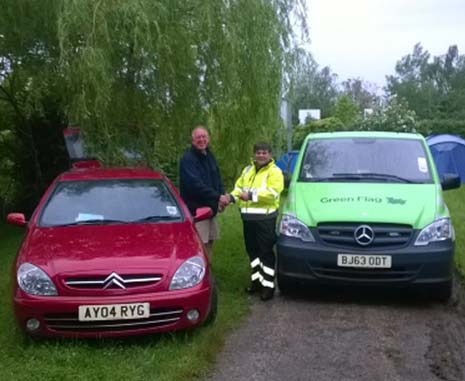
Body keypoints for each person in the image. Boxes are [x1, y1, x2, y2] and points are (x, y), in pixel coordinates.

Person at [228, 142, 284, 301]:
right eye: (258, 153)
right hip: (248, 219)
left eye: (264, 153)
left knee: (265, 252)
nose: (261, 155)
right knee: (252, 252)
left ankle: (268, 286)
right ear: (254, 154)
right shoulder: (247, 170)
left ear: (270, 155)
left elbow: (272, 193)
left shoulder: (275, 172)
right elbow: (239, 188)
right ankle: (256, 282)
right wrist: (231, 197)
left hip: (265, 219)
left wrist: (251, 195)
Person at [179, 126, 230, 259]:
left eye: (204, 137)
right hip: (197, 211)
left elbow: (217, 177)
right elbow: (195, 185)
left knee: (210, 243)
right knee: (200, 246)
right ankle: (199, 277)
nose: (201, 140)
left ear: (208, 139)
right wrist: (218, 196)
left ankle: (209, 274)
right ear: (193, 140)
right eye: (198, 137)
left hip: (211, 209)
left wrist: (222, 195)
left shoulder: (209, 155)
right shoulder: (188, 159)